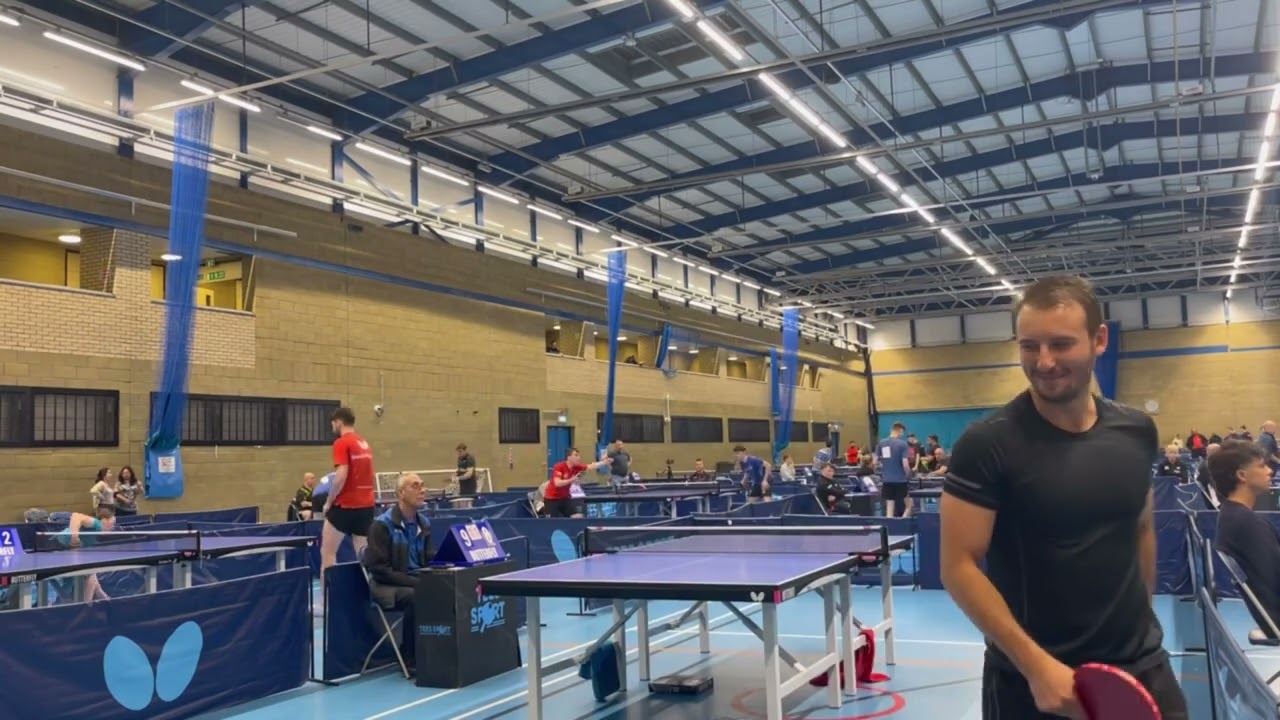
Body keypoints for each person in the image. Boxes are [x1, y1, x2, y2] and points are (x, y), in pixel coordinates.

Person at [939, 275, 1187, 719]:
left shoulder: (1135, 430)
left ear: (1100, 339)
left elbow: (1142, 525)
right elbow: (958, 566)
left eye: (1060, 344)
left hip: (1139, 666)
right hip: (1032, 682)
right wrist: (1037, 668)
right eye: (1029, 346)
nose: (1045, 361)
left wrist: (1142, 619)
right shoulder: (987, 443)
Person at [363, 473, 431, 675]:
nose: (422, 490)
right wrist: (415, 582)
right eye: (415, 486)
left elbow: (428, 558)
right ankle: (410, 657)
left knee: (448, 586)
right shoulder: (382, 525)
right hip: (385, 587)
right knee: (417, 596)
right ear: (401, 493)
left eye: (423, 485)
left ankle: (440, 650)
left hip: (415, 580)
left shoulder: (424, 523)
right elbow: (379, 570)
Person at [1209, 440, 1280, 631]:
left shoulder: (1230, 516)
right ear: (1242, 475)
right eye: (1262, 466)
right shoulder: (1247, 523)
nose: (1270, 471)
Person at [321, 407, 376, 587]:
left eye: (332, 424)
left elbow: (341, 475)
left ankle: (328, 603)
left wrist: (329, 502)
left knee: (327, 555)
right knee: (363, 557)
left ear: (338, 422)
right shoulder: (364, 443)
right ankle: (369, 599)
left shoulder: (341, 443)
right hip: (366, 507)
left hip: (345, 508)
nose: (332, 428)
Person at [545, 448, 608, 518]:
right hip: (552, 499)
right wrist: (571, 480)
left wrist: (604, 462)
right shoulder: (559, 466)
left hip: (565, 498)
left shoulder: (576, 467)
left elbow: (590, 466)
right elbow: (557, 483)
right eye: (576, 455)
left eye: (579, 455)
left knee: (577, 516)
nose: (579, 457)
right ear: (569, 457)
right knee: (551, 522)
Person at [875, 423, 911, 517]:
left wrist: (886, 465)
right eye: (902, 432)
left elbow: (875, 461)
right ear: (899, 430)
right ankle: (903, 523)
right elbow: (905, 464)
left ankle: (889, 528)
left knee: (889, 509)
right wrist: (908, 474)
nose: (902, 435)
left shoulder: (881, 443)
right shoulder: (902, 444)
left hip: (887, 480)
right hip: (901, 480)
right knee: (909, 505)